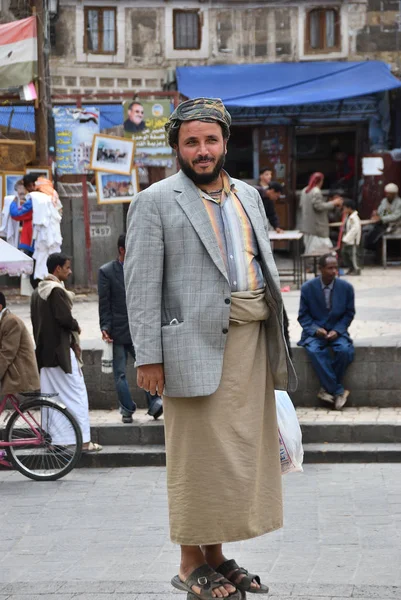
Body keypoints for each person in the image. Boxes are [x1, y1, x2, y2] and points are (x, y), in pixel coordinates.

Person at [125, 97, 297, 600]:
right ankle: (188, 560)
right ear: (177, 146)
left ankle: (215, 556)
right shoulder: (155, 201)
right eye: (191, 142)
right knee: (195, 458)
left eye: (210, 140)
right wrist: (149, 356)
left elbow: (262, 267)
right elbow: (140, 285)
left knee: (232, 459)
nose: (202, 151)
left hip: (249, 345)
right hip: (186, 349)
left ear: (226, 142)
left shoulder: (248, 195)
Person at [31, 252, 102, 453]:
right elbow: (64, 319)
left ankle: (54, 441)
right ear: (57, 269)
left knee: (51, 398)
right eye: (67, 268)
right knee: (77, 394)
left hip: (45, 355)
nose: (69, 272)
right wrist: (76, 326)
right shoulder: (55, 291)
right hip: (61, 354)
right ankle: (84, 441)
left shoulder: (37, 292)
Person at [98, 234, 163, 424]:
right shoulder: (107, 272)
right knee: (120, 373)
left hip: (139, 330)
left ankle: (154, 404)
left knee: (148, 365)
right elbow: (104, 303)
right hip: (118, 331)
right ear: (122, 250)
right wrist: (105, 327)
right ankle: (127, 409)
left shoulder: (141, 269)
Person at [298, 253, 355, 411]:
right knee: (315, 351)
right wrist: (316, 330)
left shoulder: (346, 288)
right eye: (330, 268)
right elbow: (303, 316)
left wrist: (337, 330)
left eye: (336, 267)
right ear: (320, 269)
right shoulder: (307, 288)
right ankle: (338, 391)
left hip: (337, 332)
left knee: (345, 351)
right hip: (315, 333)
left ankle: (326, 389)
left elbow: (349, 313)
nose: (333, 271)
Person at [0, 292, 40, 395]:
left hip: (19, 374)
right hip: (12, 370)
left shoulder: (11, 322)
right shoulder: (4, 320)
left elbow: (6, 353)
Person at [300, 172, 343, 254]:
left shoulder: (304, 190)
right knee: (322, 250)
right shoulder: (316, 191)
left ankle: (311, 265)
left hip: (307, 226)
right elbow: (319, 206)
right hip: (317, 226)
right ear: (320, 181)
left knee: (310, 249)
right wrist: (333, 203)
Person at [364, 183, 401, 251]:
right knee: (367, 231)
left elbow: (395, 216)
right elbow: (381, 211)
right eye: (387, 193)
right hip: (382, 224)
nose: (388, 195)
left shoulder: (399, 203)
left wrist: (382, 218)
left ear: (395, 194)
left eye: (390, 194)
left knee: (377, 235)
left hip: (395, 226)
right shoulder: (384, 201)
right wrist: (377, 214)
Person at [341, 199, 362, 276]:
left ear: (349, 208)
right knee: (345, 253)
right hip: (347, 240)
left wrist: (347, 238)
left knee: (353, 255)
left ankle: (356, 269)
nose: (343, 210)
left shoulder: (354, 218)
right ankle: (350, 268)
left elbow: (355, 229)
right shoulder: (348, 217)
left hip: (352, 240)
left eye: (344, 208)